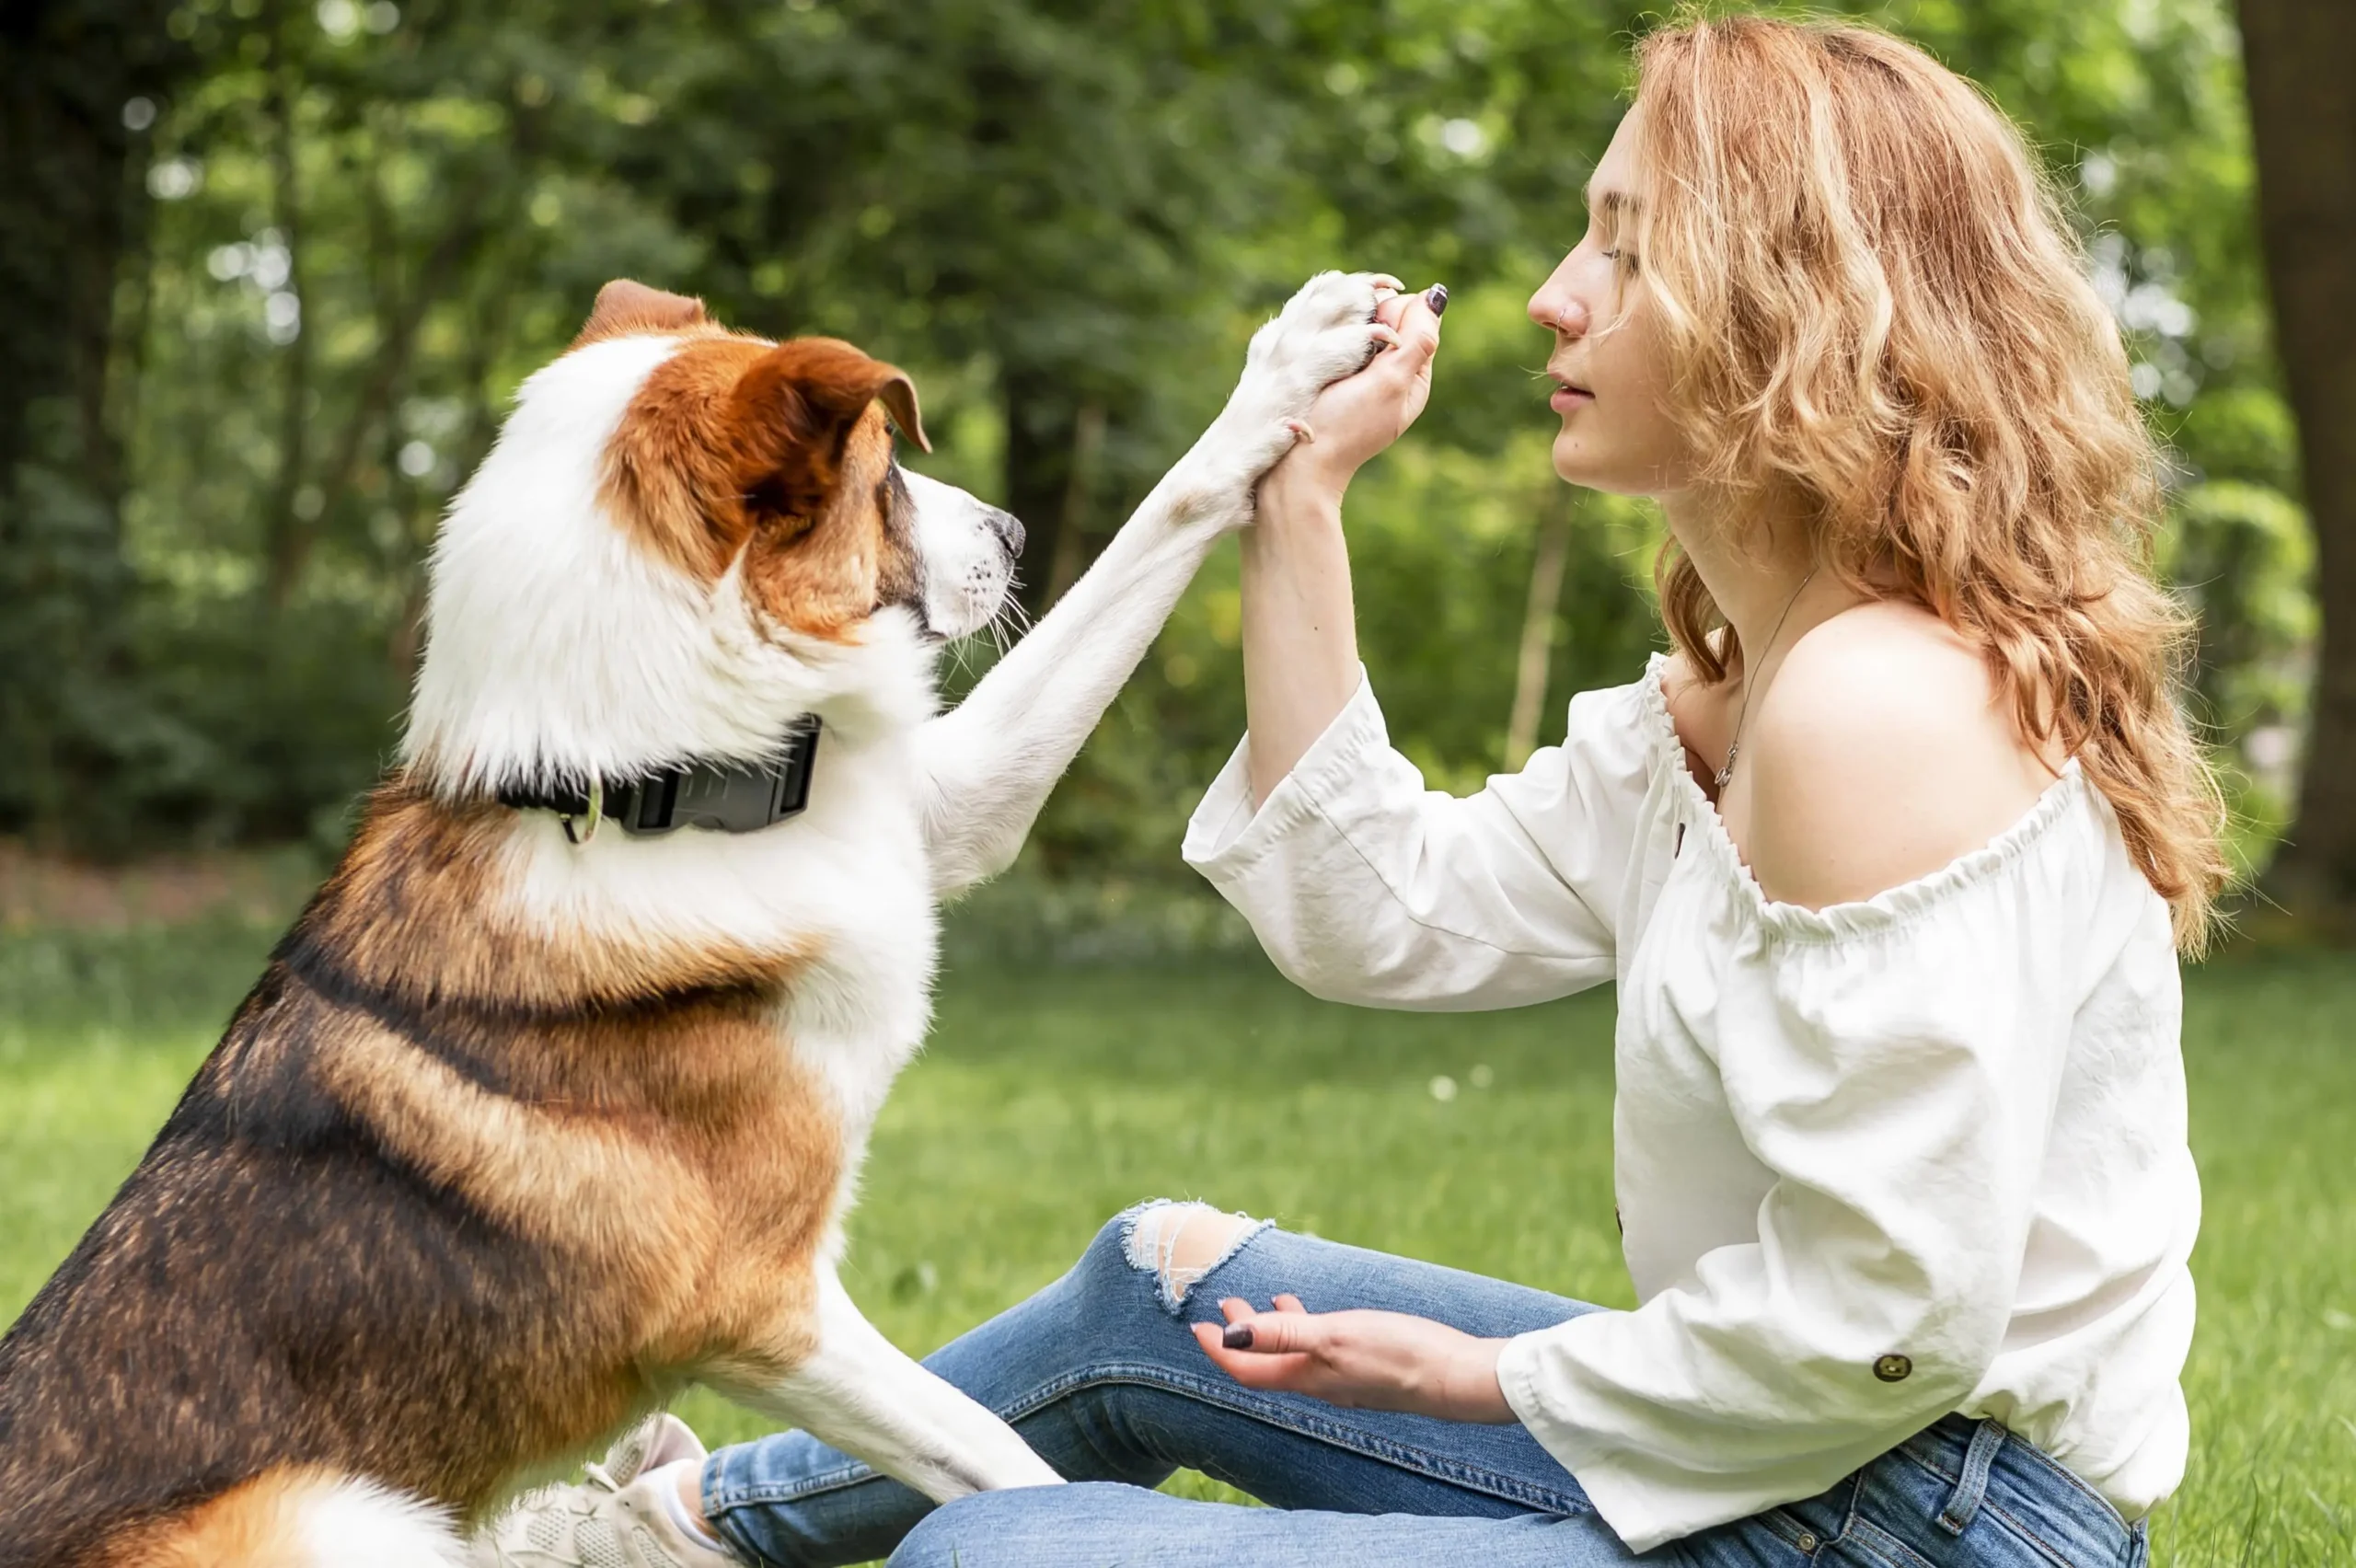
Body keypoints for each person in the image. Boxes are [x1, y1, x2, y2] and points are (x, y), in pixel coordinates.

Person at [478, 14, 2224, 1567]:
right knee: (1147, 1296)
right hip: (1791, 1464)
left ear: (1802, 311)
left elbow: (1894, 1321)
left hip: (1928, 1525)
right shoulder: (1738, 697)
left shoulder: (1878, 713)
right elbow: (1378, 916)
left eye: (1628, 247)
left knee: (1009, 1559)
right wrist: (1294, 502)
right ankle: (666, 1535)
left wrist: (1486, 1378)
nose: (1555, 291)